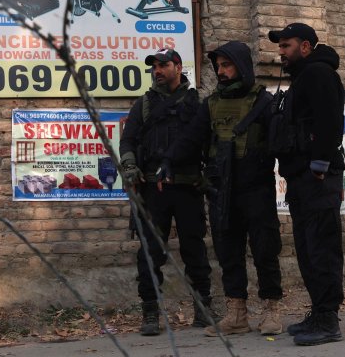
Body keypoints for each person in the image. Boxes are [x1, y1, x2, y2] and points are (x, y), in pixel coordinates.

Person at [168, 41, 284, 336]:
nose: (221, 71)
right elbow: (190, 141)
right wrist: (165, 163)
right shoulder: (212, 104)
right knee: (228, 251)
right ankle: (237, 314)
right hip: (221, 189)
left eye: (226, 65)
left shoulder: (264, 103)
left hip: (256, 187)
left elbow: (282, 145)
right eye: (218, 66)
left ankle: (272, 309)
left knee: (264, 249)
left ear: (241, 66)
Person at [119, 48, 213, 336]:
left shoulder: (197, 103)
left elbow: (209, 143)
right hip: (152, 190)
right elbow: (128, 142)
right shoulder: (144, 105)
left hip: (187, 186)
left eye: (163, 65)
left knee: (194, 249)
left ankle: (203, 308)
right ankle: (150, 312)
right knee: (149, 252)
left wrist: (208, 177)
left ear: (178, 67)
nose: (157, 71)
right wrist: (131, 167)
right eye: (154, 67)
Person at [268, 23, 345, 346]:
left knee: (321, 247)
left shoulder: (319, 74)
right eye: (280, 46)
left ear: (306, 46)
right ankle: (319, 311)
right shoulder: (302, 79)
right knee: (307, 247)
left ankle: (328, 319)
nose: (281, 52)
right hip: (301, 177)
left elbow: (330, 121)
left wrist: (319, 163)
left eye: (287, 46)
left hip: (318, 178)